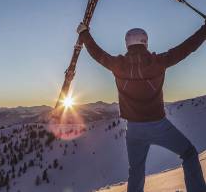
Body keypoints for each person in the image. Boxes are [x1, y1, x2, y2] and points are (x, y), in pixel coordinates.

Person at [77, 22, 206, 192]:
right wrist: (204, 31)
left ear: (127, 43)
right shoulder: (158, 62)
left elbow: (97, 53)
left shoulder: (117, 65)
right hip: (159, 125)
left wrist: (84, 33)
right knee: (188, 153)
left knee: (136, 171)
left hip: (134, 130)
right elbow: (186, 48)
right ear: (145, 42)